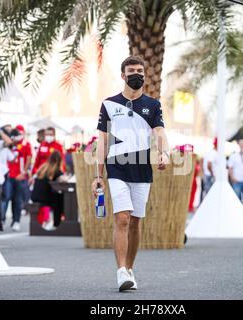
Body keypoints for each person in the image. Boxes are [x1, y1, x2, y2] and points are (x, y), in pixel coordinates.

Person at [92, 56, 170, 292]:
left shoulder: (153, 105)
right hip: (117, 168)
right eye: (131, 71)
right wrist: (98, 174)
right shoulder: (108, 104)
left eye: (140, 70)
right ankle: (121, 272)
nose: (136, 74)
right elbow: (102, 140)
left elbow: (160, 133)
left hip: (142, 171)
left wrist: (164, 153)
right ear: (123, 75)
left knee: (135, 222)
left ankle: (130, 269)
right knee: (122, 218)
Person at [2, 125, 32, 232]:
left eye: (20, 133)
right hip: (9, 175)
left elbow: (29, 159)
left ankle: (16, 221)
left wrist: (23, 173)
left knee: (18, 200)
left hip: (20, 176)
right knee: (6, 197)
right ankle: (2, 219)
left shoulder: (26, 144)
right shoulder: (10, 143)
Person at [31, 151, 66, 231]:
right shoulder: (56, 170)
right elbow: (64, 180)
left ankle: (56, 222)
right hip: (44, 198)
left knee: (57, 197)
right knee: (60, 199)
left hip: (34, 196)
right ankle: (57, 223)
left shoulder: (43, 167)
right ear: (59, 161)